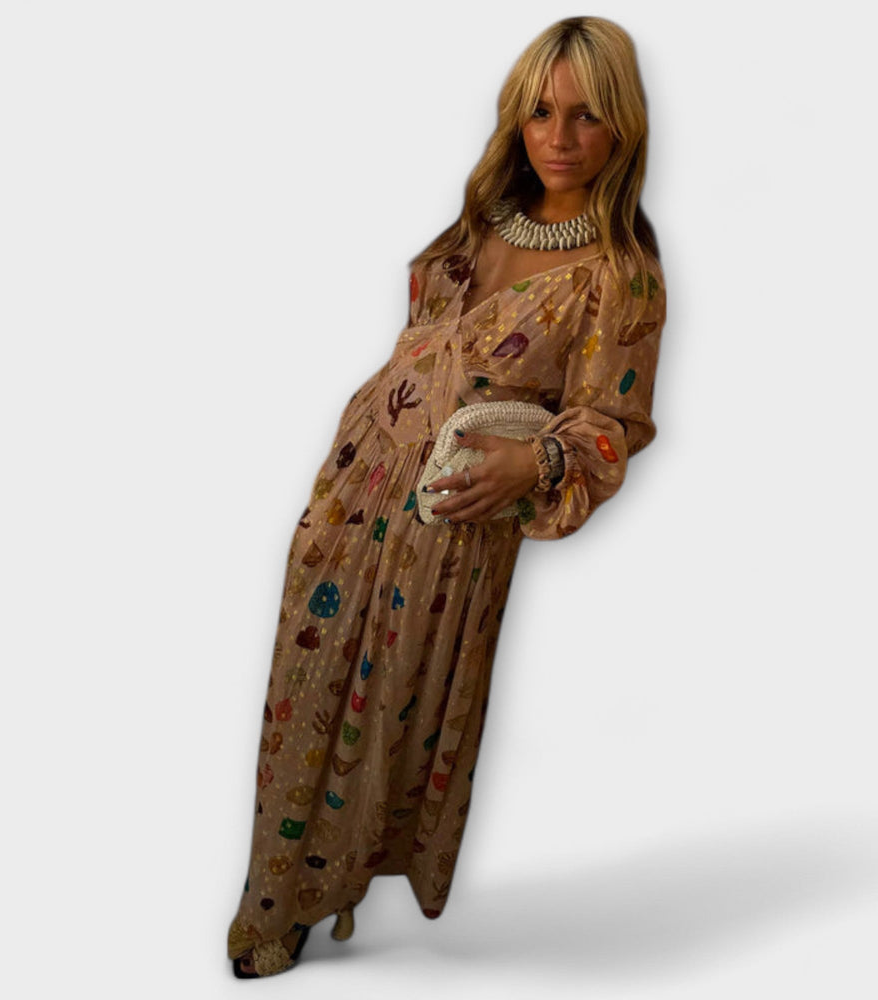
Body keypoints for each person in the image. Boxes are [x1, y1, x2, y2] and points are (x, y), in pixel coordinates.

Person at [227, 15, 666, 977]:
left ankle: (313, 895)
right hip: (356, 480)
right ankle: (273, 891)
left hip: (452, 519)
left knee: (386, 706)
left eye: (586, 115)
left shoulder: (620, 276)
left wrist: (533, 463)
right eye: (540, 111)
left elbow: (614, 422)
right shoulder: (483, 220)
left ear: (622, 126)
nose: (559, 136)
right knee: (305, 682)